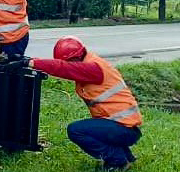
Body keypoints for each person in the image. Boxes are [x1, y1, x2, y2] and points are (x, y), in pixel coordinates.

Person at [9, 35, 142, 170]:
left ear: (76, 58)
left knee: (76, 131)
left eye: (69, 62)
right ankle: (125, 156)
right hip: (124, 127)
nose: (69, 65)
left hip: (123, 128)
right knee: (92, 128)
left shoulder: (93, 68)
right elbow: (64, 66)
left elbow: (63, 68)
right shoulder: (90, 61)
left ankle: (117, 161)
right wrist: (28, 60)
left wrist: (31, 63)